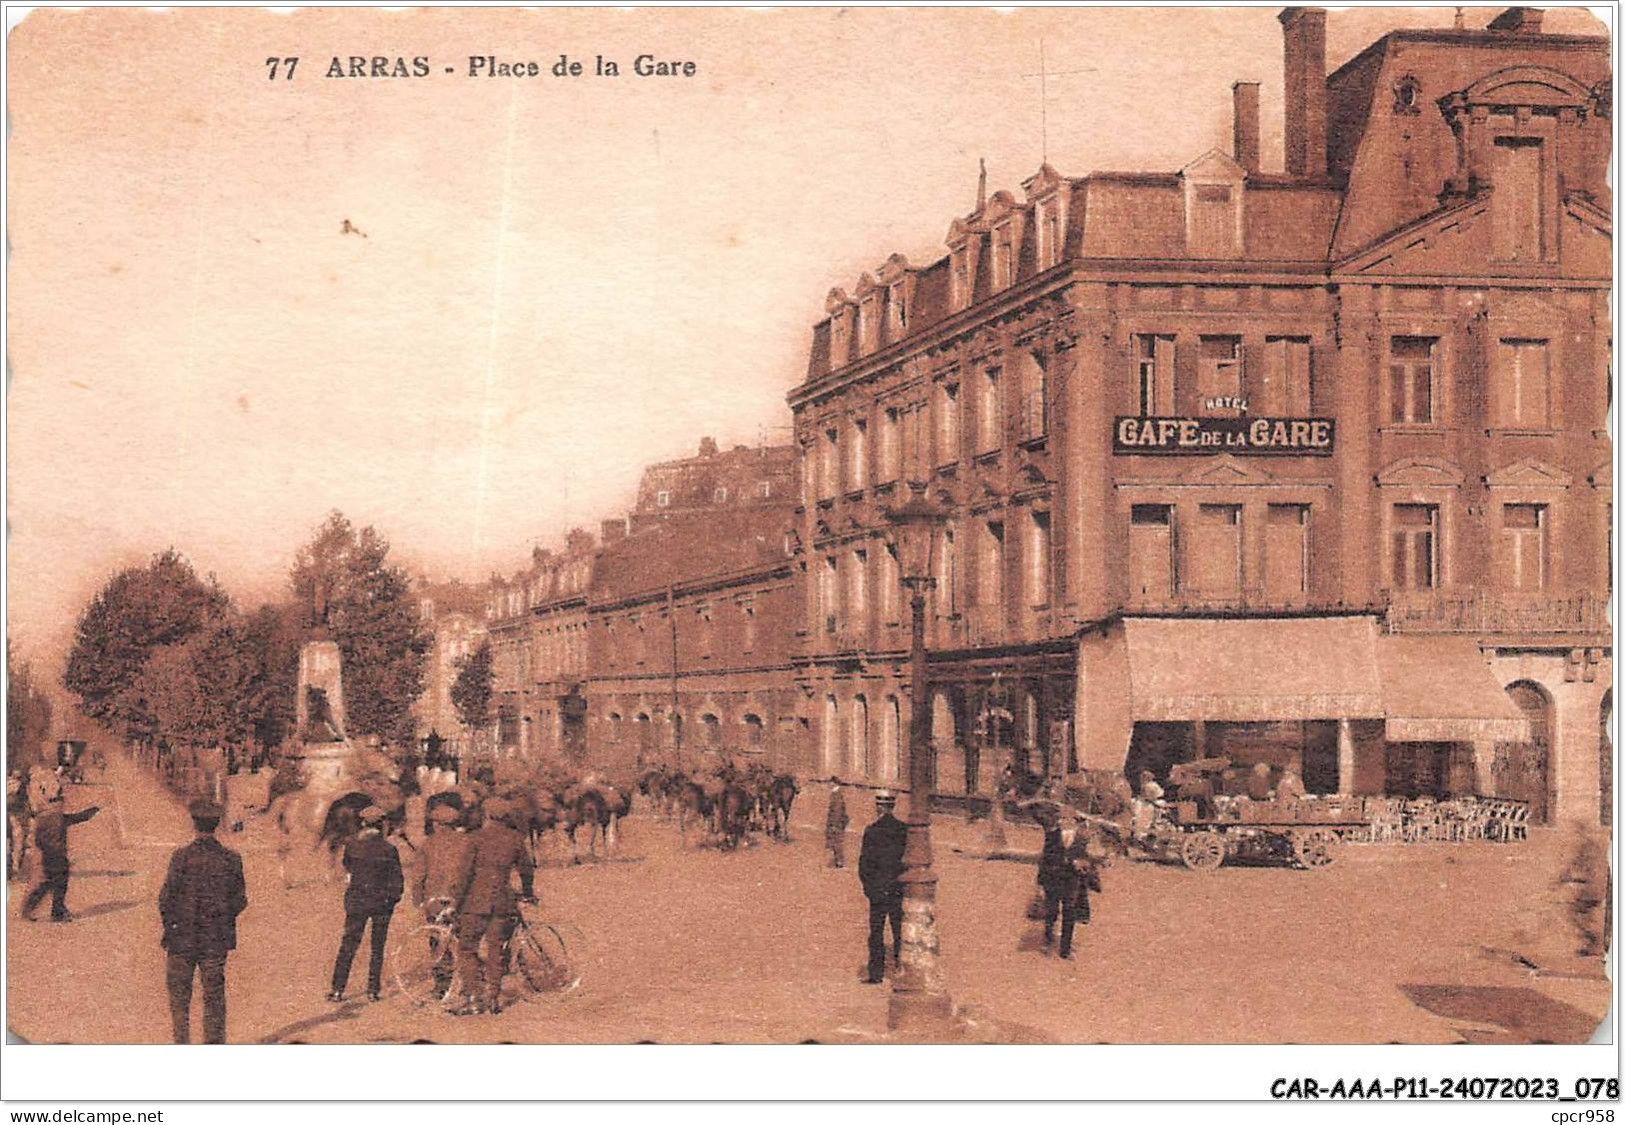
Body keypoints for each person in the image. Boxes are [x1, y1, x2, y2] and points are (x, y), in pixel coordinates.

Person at [158, 798, 247, 1044]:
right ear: (217, 824)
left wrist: (172, 927)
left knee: (179, 1003)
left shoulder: (181, 857)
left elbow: (165, 899)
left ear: (194, 823)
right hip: (215, 941)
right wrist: (220, 920)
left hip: (181, 941)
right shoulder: (232, 859)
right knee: (214, 1001)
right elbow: (240, 900)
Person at [451, 795, 536, 1015]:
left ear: (487, 815)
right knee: (496, 950)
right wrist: (527, 892)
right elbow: (527, 869)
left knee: (467, 949)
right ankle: (493, 997)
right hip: (502, 903)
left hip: (475, 904)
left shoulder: (476, 838)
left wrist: (455, 903)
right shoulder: (515, 839)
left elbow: (464, 875)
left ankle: (471, 997)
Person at [327, 804, 404, 1003]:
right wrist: (392, 900)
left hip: (357, 901)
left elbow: (347, 866)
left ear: (363, 823)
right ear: (381, 824)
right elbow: (397, 880)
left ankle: (337, 989)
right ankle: (373, 990)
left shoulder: (352, 846)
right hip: (382, 903)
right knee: (377, 947)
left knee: (348, 945)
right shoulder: (390, 849)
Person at [413, 803, 474, 997]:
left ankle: (442, 986)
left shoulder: (428, 844)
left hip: (435, 901)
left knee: (438, 943)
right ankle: (468, 983)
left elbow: (418, 876)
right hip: (461, 899)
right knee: (465, 942)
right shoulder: (468, 841)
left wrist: (418, 899)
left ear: (438, 824)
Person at [21, 792, 101, 922]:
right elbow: (78, 817)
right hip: (55, 855)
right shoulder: (57, 818)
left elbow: (38, 840)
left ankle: (33, 909)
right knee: (56, 884)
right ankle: (54, 912)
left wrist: (92, 811)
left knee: (51, 883)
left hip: (50, 856)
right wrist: (93, 810)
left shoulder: (45, 819)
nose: (61, 805)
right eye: (59, 803)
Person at [1036, 810, 1101, 959]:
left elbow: (1086, 856)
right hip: (1053, 878)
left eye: (1071, 820)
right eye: (1064, 819)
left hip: (1072, 880)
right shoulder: (1052, 834)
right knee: (1051, 911)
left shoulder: (1082, 837)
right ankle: (1048, 938)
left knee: (1069, 912)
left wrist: (1086, 864)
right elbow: (1047, 856)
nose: (1066, 822)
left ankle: (1065, 949)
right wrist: (1039, 882)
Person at [857, 790, 906, 984]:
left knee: (876, 933)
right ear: (892, 806)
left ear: (878, 807)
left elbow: (864, 864)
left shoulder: (872, 830)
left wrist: (869, 889)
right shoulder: (903, 829)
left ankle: (876, 974)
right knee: (899, 932)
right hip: (897, 890)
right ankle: (901, 972)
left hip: (878, 892)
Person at [824, 778, 849, 868]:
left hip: (836, 823)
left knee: (836, 841)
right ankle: (837, 860)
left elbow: (837, 811)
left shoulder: (837, 795)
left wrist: (834, 824)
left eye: (830, 783)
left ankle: (839, 861)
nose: (829, 784)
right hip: (836, 822)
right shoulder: (835, 793)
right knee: (834, 842)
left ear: (834, 783)